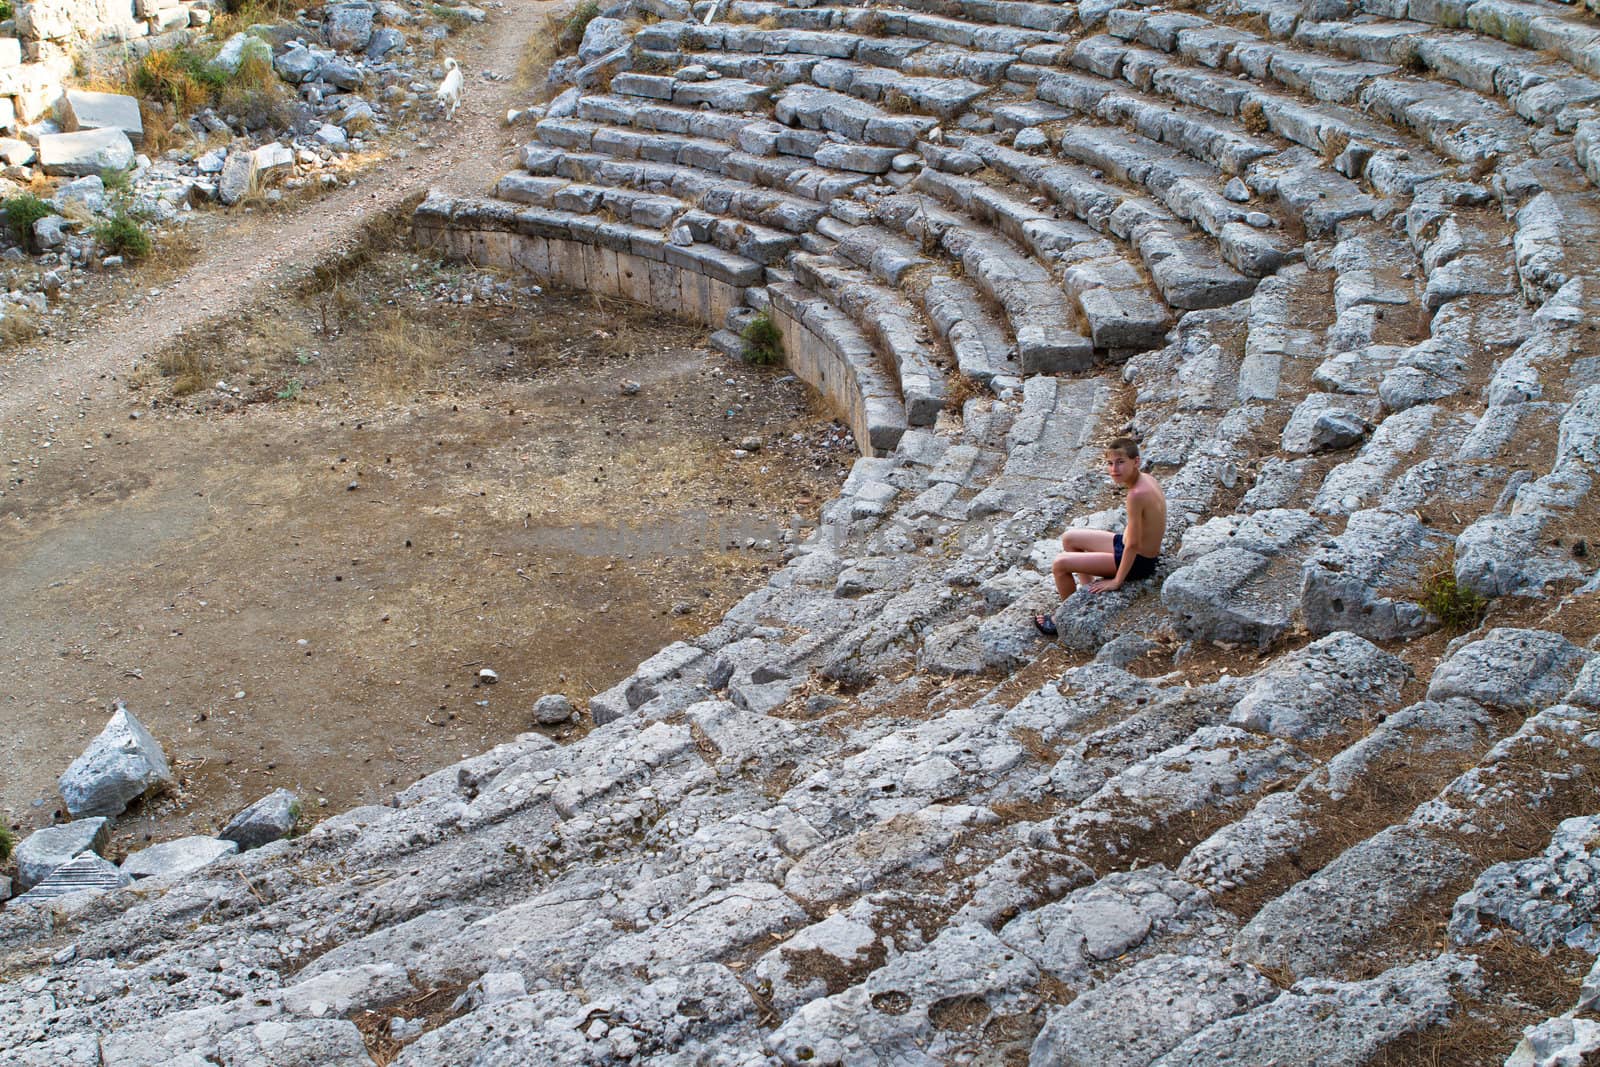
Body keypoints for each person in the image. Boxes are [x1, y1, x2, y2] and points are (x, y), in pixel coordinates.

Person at [1034, 437, 1167, 637]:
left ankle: (1063, 618)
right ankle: (1087, 594)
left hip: (1138, 561)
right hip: (1130, 548)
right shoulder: (1146, 479)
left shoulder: (1136, 495)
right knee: (1070, 538)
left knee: (1060, 564)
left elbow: (1133, 544)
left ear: (1136, 462)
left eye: (1121, 462)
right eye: (1110, 463)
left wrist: (1117, 581)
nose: (1115, 469)